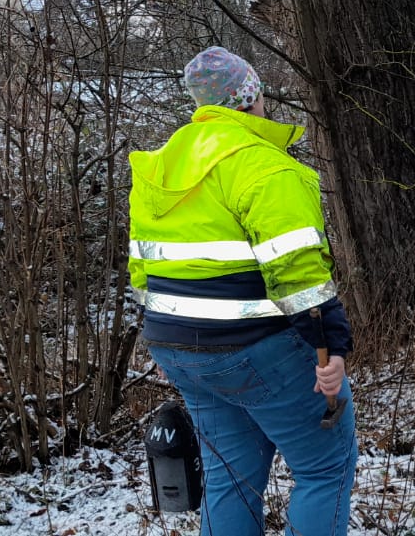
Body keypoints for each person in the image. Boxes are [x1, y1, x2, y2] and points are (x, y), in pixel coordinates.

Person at [128, 47, 356, 536]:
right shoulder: (262, 165)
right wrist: (330, 349)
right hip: (260, 348)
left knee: (230, 476)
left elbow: (141, 274)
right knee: (324, 468)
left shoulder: (157, 169)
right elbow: (299, 273)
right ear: (250, 98)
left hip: (178, 348)